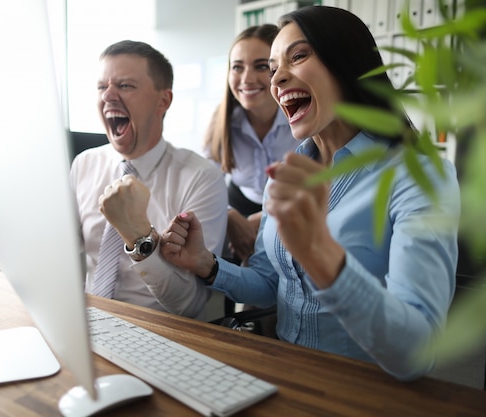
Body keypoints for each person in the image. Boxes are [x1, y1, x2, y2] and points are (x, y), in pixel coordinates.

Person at [160, 6, 460, 380]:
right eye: (273, 68)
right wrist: (206, 264)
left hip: (362, 389)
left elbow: (417, 354)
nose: (276, 79)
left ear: (346, 64)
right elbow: (273, 286)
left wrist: (322, 255)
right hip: (282, 373)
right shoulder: (287, 177)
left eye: (298, 56)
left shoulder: (420, 176)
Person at [70, 40, 228, 319]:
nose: (108, 96)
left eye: (125, 85)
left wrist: (137, 235)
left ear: (163, 101)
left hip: (159, 333)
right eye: (101, 87)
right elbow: (62, 253)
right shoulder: (85, 163)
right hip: (90, 325)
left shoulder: (202, 178)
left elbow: (189, 304)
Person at [204, 24, 298, 264]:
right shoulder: (221, 121)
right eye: (237, 67)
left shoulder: (302, 118)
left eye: (261, 66)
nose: (246, 79)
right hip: (238, 205)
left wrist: (265, 219)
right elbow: (203, 182)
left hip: (293, 210)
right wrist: (228, 215)